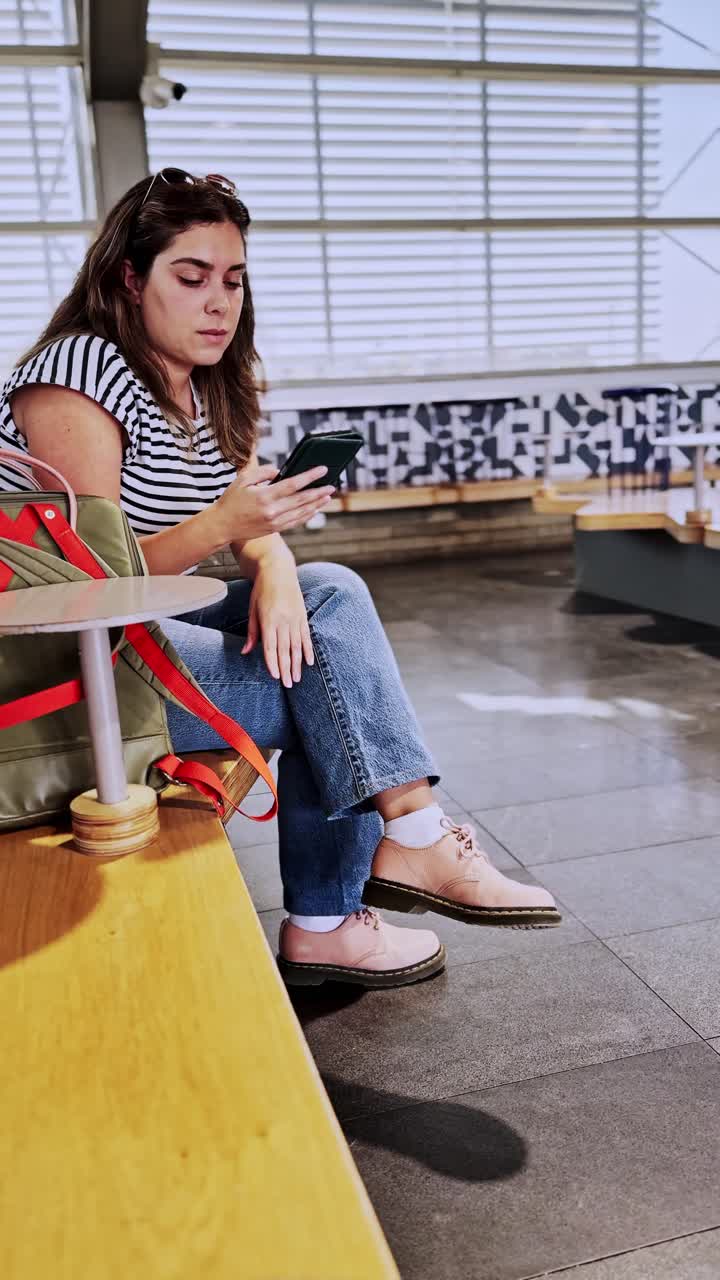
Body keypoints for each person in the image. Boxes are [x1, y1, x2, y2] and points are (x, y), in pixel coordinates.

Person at [0, 168, 559, 988]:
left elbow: (248, 521)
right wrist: (227, 527)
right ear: (130, 278)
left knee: (332, 595)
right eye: (191, 277)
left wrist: (278, 568)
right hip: (57, 664)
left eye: (232, 280)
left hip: (136, 634)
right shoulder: (79, 370)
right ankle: (348, 904)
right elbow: (92, 584)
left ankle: (400, 850)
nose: (218, 303)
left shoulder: (203, 386)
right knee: (322, 687)